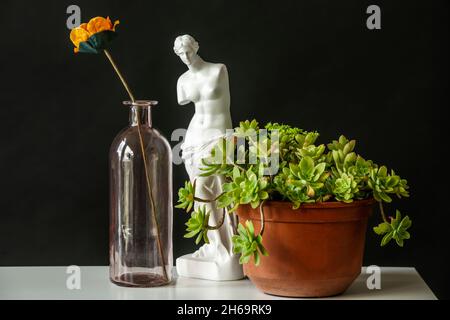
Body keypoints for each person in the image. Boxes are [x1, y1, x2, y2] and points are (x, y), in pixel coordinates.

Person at [174, 34, 243, 280]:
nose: (185, 57)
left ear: (196, 47)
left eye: (188, 51)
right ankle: (215, 246)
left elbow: (225, 107)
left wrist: (229, 139)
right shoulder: (182, 81)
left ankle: (230, 247)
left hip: (218, 136)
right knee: (200, 193)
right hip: (194, 138)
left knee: (218, 188)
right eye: (180, 54)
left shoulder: (218, 70)